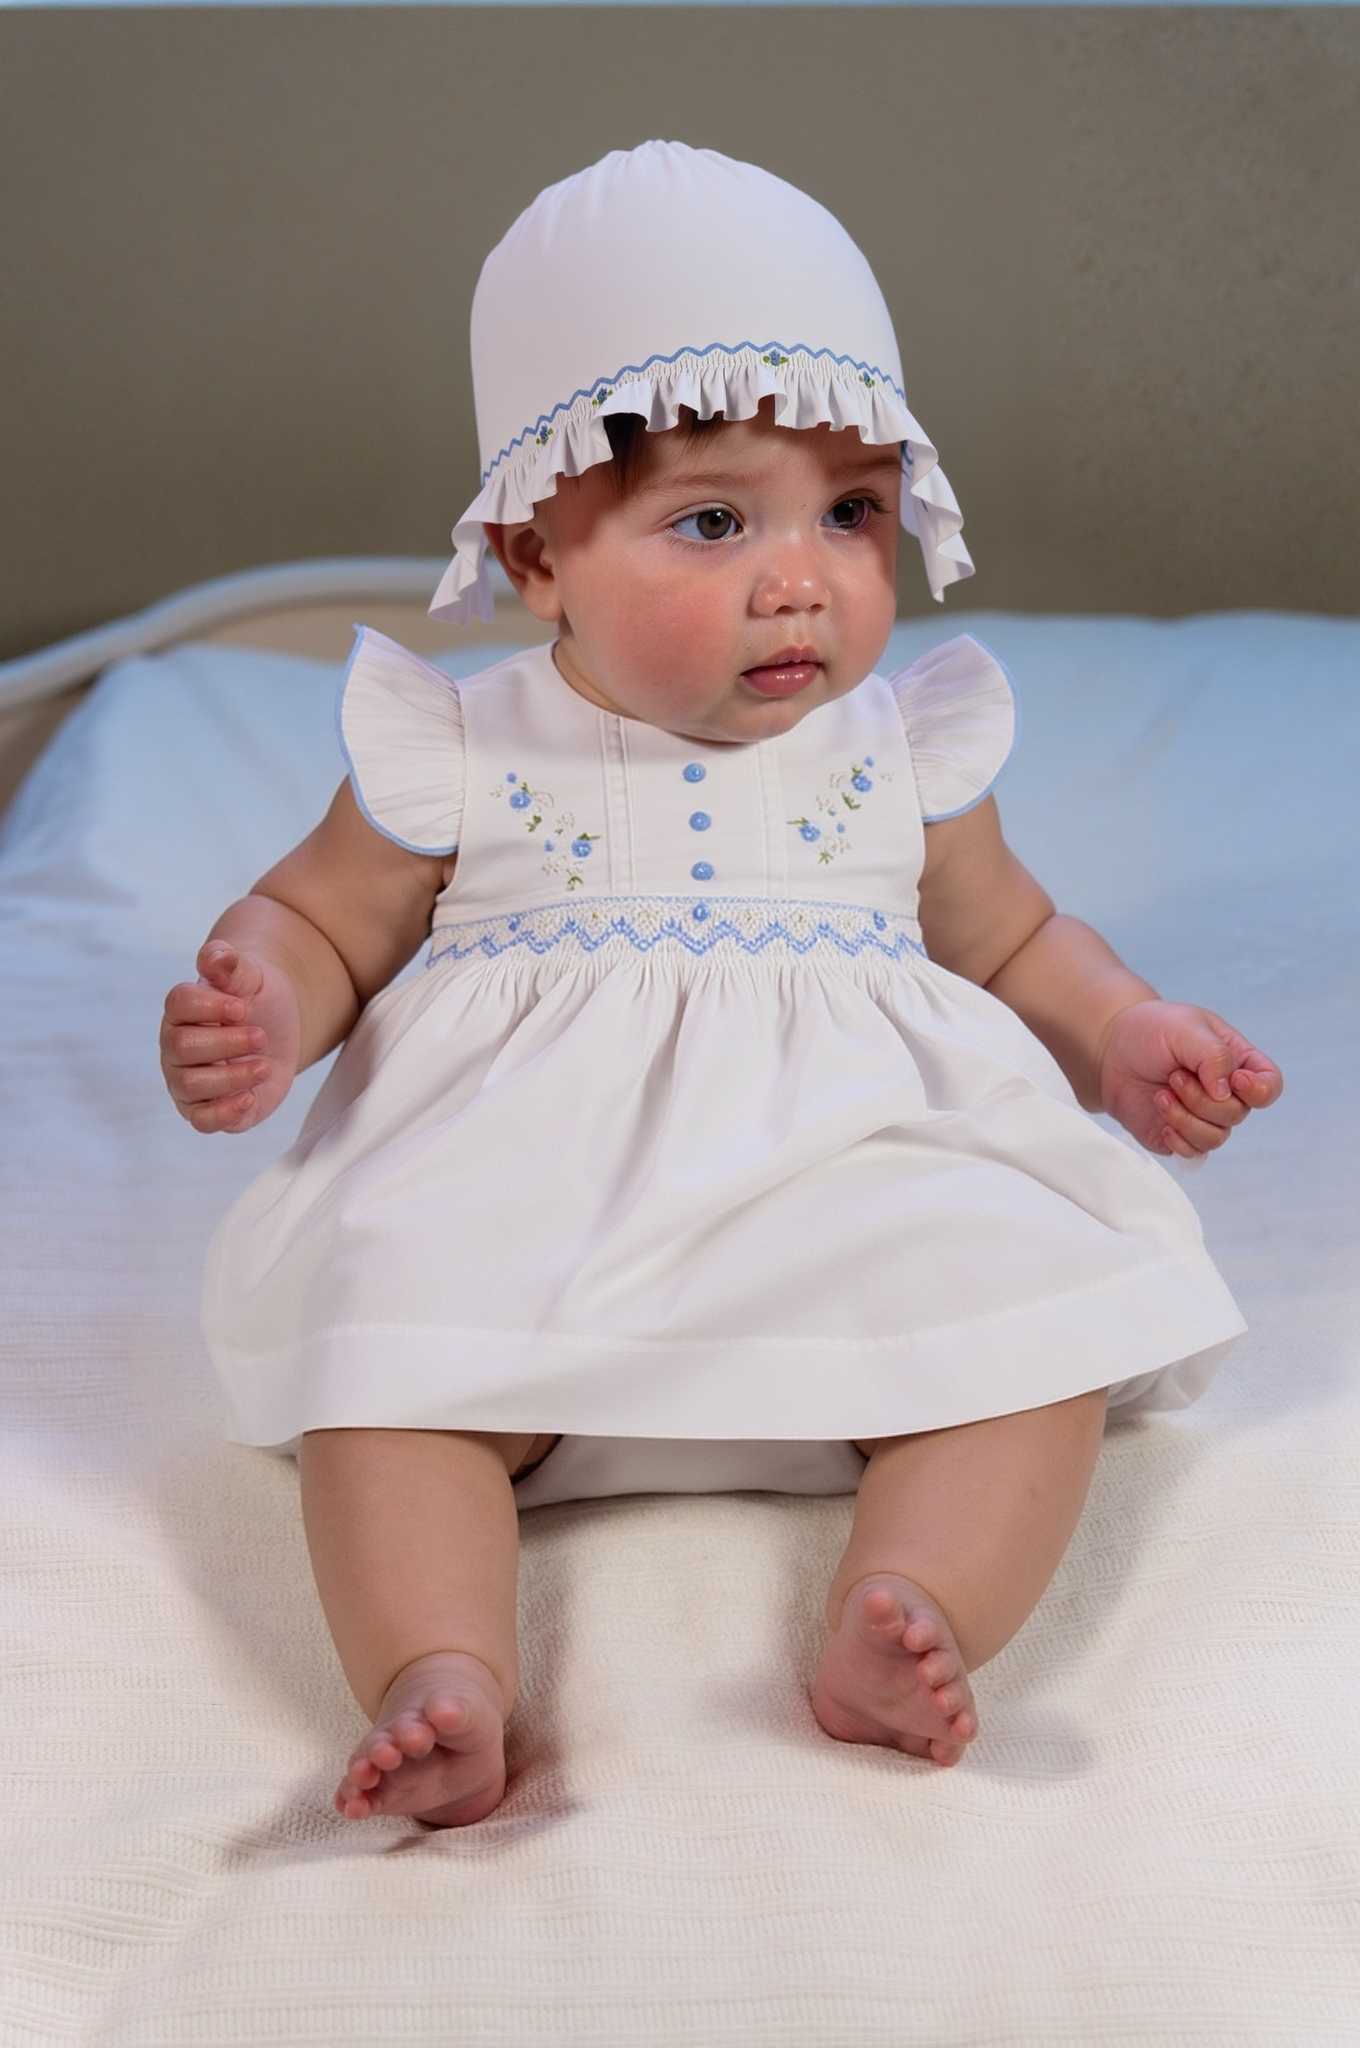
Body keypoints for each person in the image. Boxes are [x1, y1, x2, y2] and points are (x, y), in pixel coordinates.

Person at [159, 143, 1281, 1827]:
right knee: (376, 1372)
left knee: (1041, 1312)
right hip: (522, 1231)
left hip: (852, 1205)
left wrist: (1121, 1030)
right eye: (712, 521)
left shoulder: (902, 752)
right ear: (539, 557)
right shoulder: (460, 750)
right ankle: (439, 1672)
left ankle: (908, 1616)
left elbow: (1010, 939)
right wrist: (267, 998)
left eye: (852, 515)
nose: (801, 579)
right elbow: (325, 920)